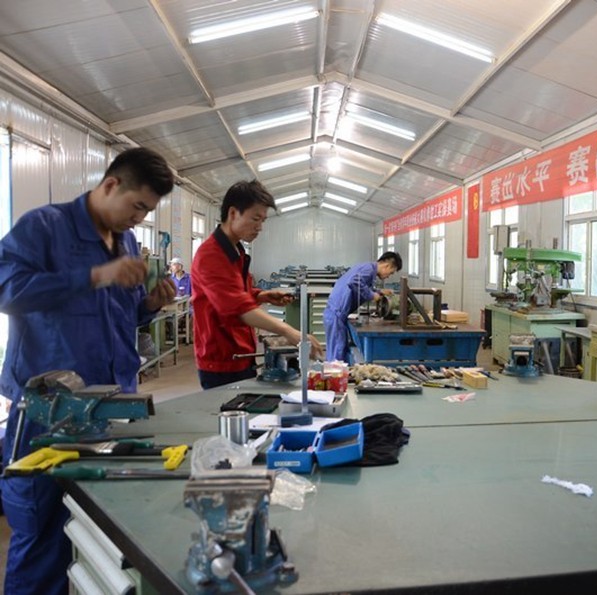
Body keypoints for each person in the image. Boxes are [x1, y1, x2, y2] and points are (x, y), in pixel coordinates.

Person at [0, 147, 176, 595]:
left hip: (111, 415)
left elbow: (119, 316)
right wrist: (94, 276)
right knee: (43, 538)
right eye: (137, 206)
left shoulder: (126, 243)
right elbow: (6, 289)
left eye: (148, 211)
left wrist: (149, 305)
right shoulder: (44, 227)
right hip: (47, 418)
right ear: (111, 184)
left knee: (100, 535)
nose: (140, 218)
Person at [191, 180, 322, 390]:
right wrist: (289, 332)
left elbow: (232, 292)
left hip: (240, 351)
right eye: (255, 218)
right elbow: (236, 306)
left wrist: (261, 295)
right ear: (233, 213)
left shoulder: (236, 250)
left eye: (263, 220)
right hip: (222, 358)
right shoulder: (211, 255)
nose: (260, 227)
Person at [324, 252, 402, 362]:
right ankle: (335, 372)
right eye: (391, 272)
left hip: (336, 313)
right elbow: (354, 281)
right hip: (336, 314)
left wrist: (379, 292)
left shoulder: (367, 268)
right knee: (337, 352)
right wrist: (371, 295)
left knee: (339, 350)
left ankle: (338, 371)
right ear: (387, 266)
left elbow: (362, 285)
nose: (388, 276)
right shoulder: (368, 269)